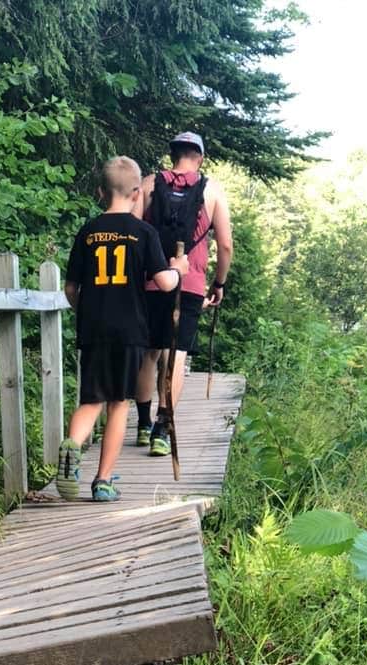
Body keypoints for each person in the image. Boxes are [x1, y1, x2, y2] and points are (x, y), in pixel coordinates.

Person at [56, 155, 189, 503]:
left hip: (94, 328)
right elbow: (162, 283)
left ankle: (72, 445)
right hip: (130, 329)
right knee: (118, 404)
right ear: (135, 193)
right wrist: (179, 269)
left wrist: (85, 310)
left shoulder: (87, 232)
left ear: (100, 192)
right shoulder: (143, 233)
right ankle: (102, 482)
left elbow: (71, 289)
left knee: (92, 399)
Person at [135, 131, 233, 455]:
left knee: (149, 352)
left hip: (151, 279)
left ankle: (142, 424)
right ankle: (163, 429)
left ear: (173, 153)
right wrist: (218, 284)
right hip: (189, 283)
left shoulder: (149, 184)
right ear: (200, 157)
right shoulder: (212, 190)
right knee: (176, 354)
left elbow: (132, 232)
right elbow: (226, 245)